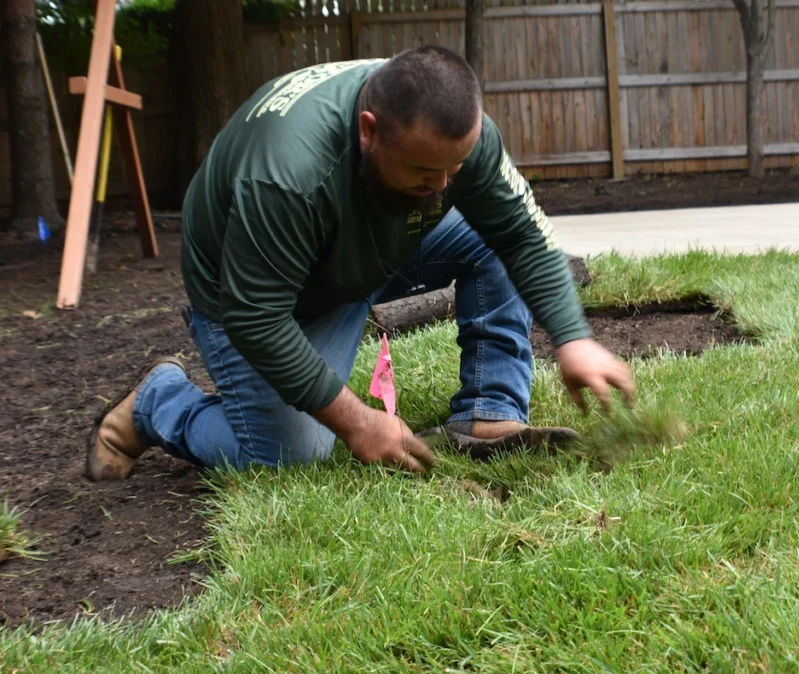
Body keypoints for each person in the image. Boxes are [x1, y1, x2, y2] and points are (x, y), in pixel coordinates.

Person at [86, 46, 635, 481]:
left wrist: (572, 337)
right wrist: (358, 421)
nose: (443, 186)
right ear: (369, 131)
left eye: (455, 168)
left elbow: (520, 232)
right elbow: (257, 316)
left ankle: (488, 409)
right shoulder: (287, 174)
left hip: (367, 245)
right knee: (287, 456)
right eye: (425, 169)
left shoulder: (452, 139)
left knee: (489, 237)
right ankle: (158, 402)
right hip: (265, 296)